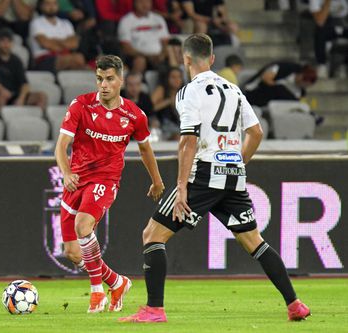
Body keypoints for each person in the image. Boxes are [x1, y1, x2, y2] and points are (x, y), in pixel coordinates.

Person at [119, 33, 311, 323]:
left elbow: (188, 141)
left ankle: (154, 309)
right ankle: (295, 304)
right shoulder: (233, 89)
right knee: (255, 242)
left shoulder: (188, 92)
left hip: (204, 174)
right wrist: (237, 161)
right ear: (211, 59)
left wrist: (182, 187)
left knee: (153, 235)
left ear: (185, 60)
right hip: (233, 174)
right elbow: (256, 133)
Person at [54, 55, 165, 313]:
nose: (104, 84)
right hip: (76, 181)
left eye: (110, 79)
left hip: (105, 180)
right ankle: (116, 282)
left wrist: (157, 181)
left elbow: (146, 150)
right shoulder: (81, 105)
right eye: (100, 79)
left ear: (121, 80)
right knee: (72, 252)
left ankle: (96, 294)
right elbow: (61, 146)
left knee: (83, 225)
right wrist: (67, 173)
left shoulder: (134, 115)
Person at [0, 28, 47, 109]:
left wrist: (21, 98)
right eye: (3, 41)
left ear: (12, 43)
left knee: (41, 96)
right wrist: (1, 89)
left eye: (8, 41)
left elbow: (25, 84)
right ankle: (1, 118)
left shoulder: (16, 60)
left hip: (14, 94)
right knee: (1, 97)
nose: (6, 44)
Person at [28, 0, 87, 72]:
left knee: (81, 60)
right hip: (44, 59)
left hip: (65, 56)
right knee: (78, 59)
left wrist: (54, 41)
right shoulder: (36, 23)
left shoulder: (66, 23)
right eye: (47, 4)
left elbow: (74, 44)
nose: (51, 7)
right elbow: (46, 44)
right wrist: (65, 42)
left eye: (54, 3)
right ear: (41, 6)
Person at [118, 0, 170, 74]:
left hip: (158, 55)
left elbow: (165, 41)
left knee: (172, 53)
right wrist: (147, 56)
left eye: (148, 2)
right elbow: (126, 47)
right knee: (140, 61)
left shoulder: (158, 19)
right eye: (141, 2)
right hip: (137, 55)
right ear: (135, 3)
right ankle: (135, 83)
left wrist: (162, 53)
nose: (145, 5)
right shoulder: (126, 20)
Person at [309, 0, 348, 78]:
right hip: (326, 28)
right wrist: (327, 2)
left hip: (343, 26)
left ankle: (344, 65)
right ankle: (322, 64)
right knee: (320, 30)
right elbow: (320, 21)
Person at [150, 66, 184, 140]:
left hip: (179, 125)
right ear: (167, 78)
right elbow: (150, 108)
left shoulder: (184, 92)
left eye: (179, 77)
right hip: (162, 126)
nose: (177, 80)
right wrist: (168, 101)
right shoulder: (161, 90)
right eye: (173, 77)